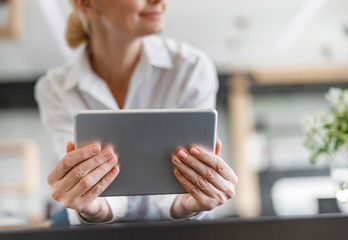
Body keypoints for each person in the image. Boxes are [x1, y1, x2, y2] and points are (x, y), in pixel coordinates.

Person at [35, 0, 238, 225]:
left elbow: (185, 178)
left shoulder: (191, 68)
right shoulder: (55, 88)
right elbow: (88, 190)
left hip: (179, 229)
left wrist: (187, 201)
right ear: (87, 5)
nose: (160, 2)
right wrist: (92, 204)